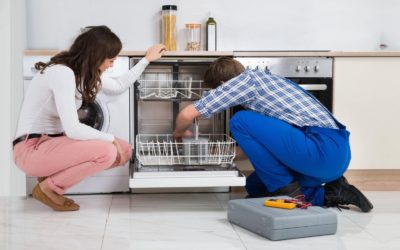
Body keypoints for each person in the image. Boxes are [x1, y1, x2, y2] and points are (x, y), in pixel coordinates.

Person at [173, 57, 373, 212]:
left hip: (323, 151)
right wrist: (218, 152)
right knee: (255, 187)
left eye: (217, 91)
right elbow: (264, 147)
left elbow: (186, 113)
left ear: (225, 84)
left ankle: (290, 194)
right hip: (333, 156)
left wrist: (179, 133)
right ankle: (333, 192)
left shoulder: (245, 83)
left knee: (240, 120)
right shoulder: (265, 83)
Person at [13, 26, 165, 211]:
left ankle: (49, 178)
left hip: (51, 145)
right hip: (30, 150)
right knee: (108, 151)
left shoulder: (81, 75)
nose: (112, 65)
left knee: (124, 150)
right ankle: (48, 188)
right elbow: (73, 128)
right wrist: (111, 139)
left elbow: (118, 85)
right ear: (96, 56)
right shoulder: (62, 73)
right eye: (110, 60)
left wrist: (146, 60)